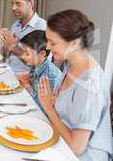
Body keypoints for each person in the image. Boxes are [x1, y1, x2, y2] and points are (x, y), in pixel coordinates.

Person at [38, 10, 112, 160]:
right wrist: (52, 99)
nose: (47, 47)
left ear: (75, 42)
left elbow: (76, 147)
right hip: (60, 141)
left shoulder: (90, 85)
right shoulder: (69, 64)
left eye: (53, 42)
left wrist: (49, 109)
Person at [0, 0, 46, 74]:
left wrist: (13, 47)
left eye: (18, 4)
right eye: (12, 4)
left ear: (31, 3)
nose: (13, 8)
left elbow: (41, 64)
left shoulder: (42, 27)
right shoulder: (15, 26)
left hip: (24, 80)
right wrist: (6, 48)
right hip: (7, 71)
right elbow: (5, 57)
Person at [17, 30, 62, 113]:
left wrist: (27, 86)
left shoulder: (50, 76)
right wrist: (27, 81)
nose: (23, 56)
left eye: (27, 53)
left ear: (42, 54)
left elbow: (44, 109)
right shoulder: (37, 65)